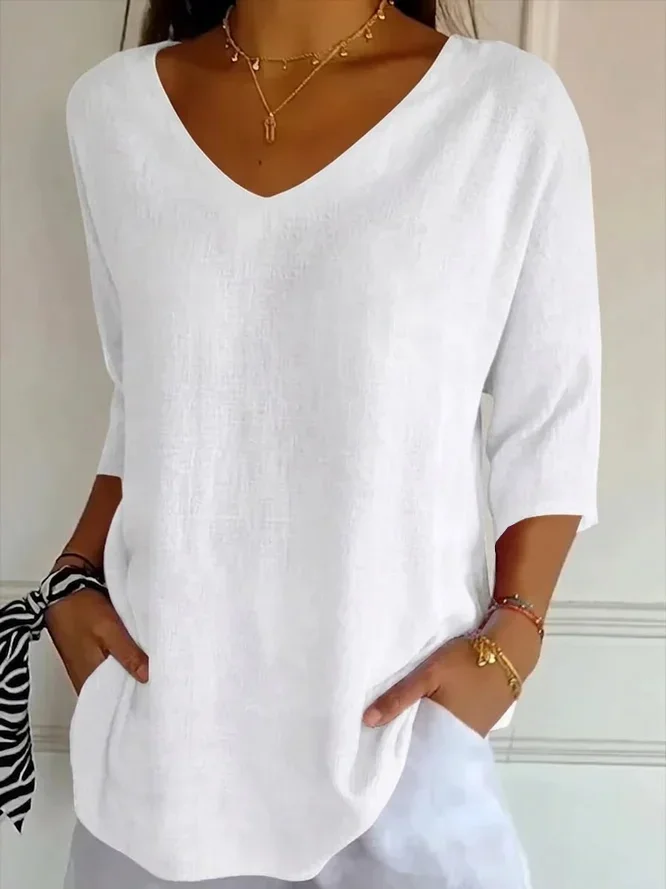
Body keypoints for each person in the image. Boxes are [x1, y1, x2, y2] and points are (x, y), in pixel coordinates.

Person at [2, 0, 602, 886]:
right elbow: (150, 397)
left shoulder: (504, 111)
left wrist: (512, 643)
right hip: (157, 757)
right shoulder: (111, 113)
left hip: (400, 753)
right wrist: (73, 575)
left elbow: (551, 414)